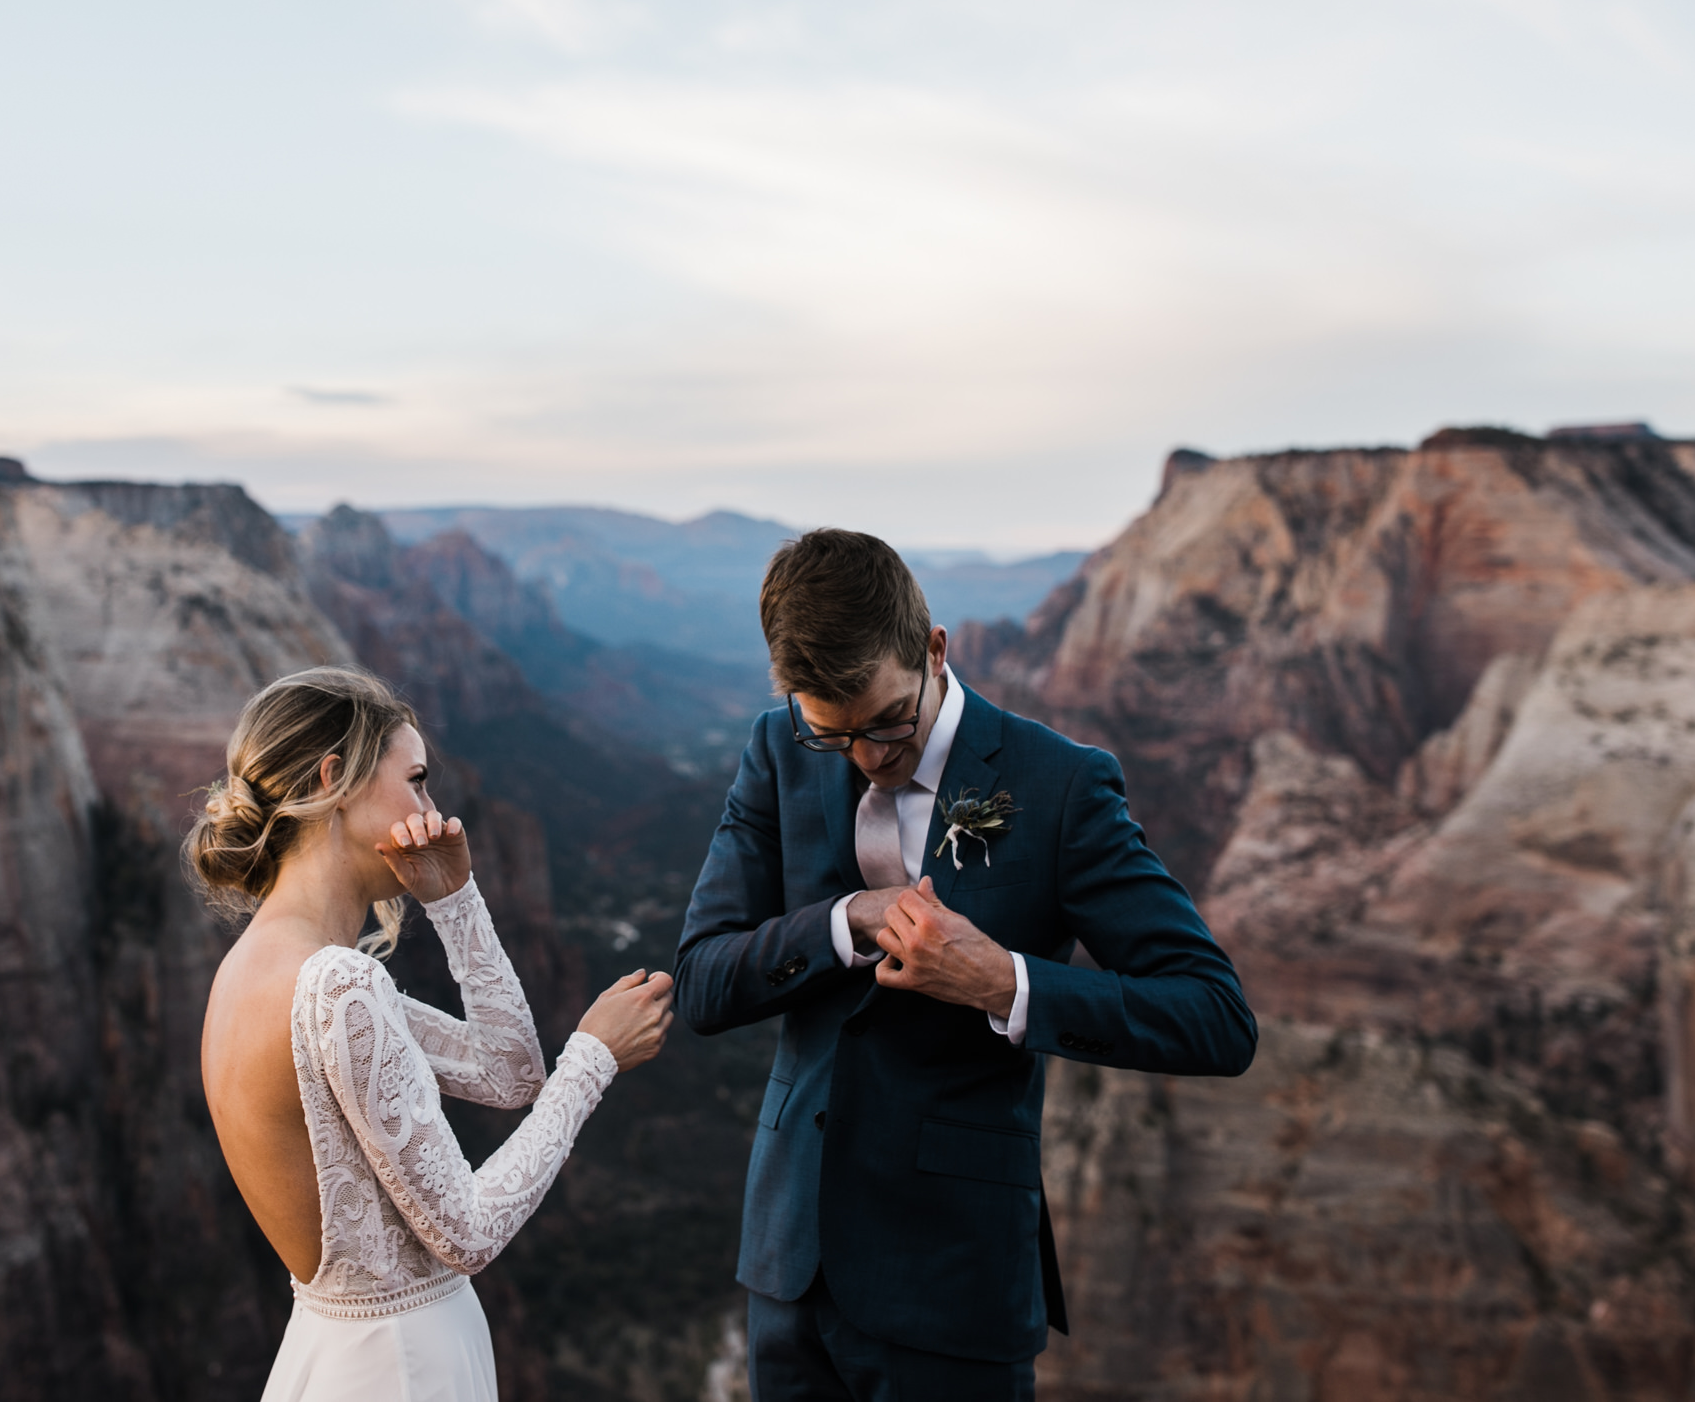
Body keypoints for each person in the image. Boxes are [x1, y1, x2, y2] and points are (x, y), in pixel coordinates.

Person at [676, 530, 1257, 1400]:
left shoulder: (1061, 786)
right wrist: (844, 922)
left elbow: (1215, 1015)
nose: (869, 756)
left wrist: (1004, 982)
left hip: (953, 1281)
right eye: (836, 737)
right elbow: (702, 980)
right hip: (789, 1270)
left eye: (889, 723)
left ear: (935, 649)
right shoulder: (776, 750)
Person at [196, 666, 674, 1401]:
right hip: (402, 1368)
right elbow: (468, 1232)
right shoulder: (337, 984)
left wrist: (455, 900)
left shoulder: (255, 969)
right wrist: (593, 1058)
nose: (432, 805)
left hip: (332, 1355)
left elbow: (509, 1073)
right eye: (416, 779)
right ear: (337, 778)